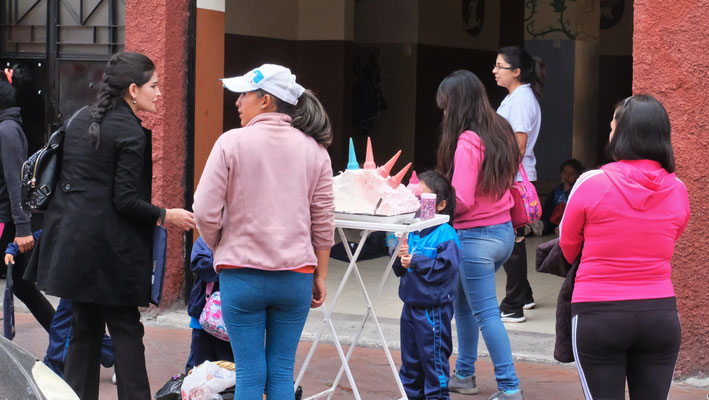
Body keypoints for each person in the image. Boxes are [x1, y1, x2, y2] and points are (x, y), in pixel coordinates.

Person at [24, 52, 195, 399]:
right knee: (127, 334)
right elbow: (126, 201)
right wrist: (166, 215)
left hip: (74, 247)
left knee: (83, 332)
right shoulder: (130, 133)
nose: (159, 93)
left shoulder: (79, 119)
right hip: (112, 253)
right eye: (154, 86)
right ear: (133, 90)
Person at [193, 64, 335, 399]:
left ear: (265, 100)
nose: (238, 102)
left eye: (244, 94)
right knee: (282, 370)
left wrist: (218, 245)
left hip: (242, 276)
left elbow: (203, 209)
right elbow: (324, 219)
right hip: (295, 277)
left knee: (250, 374)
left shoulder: (231, 143)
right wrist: (321, 273)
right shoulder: (315, 150)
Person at [560, 95, 689, 400]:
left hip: (598, 315)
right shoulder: (679, 189)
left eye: (612, 125)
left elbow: (568, 245)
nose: (609, 130)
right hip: (659, 314)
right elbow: (672, 236)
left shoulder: (591, 182)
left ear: (623, 133)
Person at [436, 70, 523, 400]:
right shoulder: (499, 130)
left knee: (486, 313)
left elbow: (464, 198)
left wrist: (430, 200)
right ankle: (465, 375)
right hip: (501, 234)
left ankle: (509, 386)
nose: (444, 113)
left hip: (475, 238)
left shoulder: (468, 140)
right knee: (463, 304)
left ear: (457, 105)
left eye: (446, 107)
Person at [393, 170, 461, 400]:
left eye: (423, 199)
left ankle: (437, 397)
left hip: (433, 308)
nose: (417, 204)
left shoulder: (446, 233)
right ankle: (411, 395)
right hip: (410, 306)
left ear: (440, 205)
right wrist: (399, 256)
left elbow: (445, 268)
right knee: (410, 360)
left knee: (433, 360)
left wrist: (416, 261)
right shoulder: (411, 229)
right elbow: (398, 268)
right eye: (413, 198)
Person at [493, 46, 545, 323]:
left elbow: (519, 146)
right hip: (513, 176)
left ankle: (512, 304)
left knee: (511, 241)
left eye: (500, 66)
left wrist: (500, 178)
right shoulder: (516, 97)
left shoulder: (522, 100)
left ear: (516, 72)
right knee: (514, 239)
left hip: (514, 178)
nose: (495, 71)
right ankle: (523, 295)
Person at [185, 236, 234, 373]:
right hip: (204, 316)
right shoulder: (208, 238)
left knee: (230, 368)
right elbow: (199, 262)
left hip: (234, 320)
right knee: (199, 367)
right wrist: (231, 267)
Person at [540, 159, 584, 236]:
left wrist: (568, 192)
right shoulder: (556, 192)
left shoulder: (579, 191)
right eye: (564, 172)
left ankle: (562, 230)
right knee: (543, 224)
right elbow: (547, 211)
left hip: (569, 222)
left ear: (578, 176)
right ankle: (533, 228)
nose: (566, 176)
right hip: (553, 222)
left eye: (571, 174)